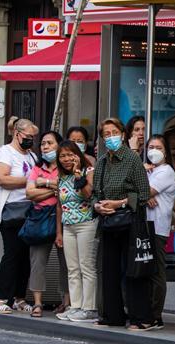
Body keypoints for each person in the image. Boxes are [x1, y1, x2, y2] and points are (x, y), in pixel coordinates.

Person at [92, 117, 153, 330]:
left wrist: (119, 203)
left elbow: (143, 194)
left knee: (134, 270)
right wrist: (98, 206)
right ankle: (112, 315)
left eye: (114, 133)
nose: (111, 138)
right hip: (108, 222)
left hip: (130, 221)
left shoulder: (132, 159)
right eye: (106, 134)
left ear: (123, 134)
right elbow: (94, 194)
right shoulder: (101, 162)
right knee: (108, 270)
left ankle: (140, 317)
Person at [0, 119, 37, 313]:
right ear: (17, 133)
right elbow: (2, 179)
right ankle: (1, 297)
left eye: (33, 137)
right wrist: (29, 181)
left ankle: (19, 297)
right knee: (12, 253)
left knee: (25, 256)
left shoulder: (32, 156)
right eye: (27, 137)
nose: (30, 140)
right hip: (11, 209)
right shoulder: (5, 152)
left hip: (29, 208)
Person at [54, 140, 97, 323]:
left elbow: (88, 194)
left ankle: (89, 308)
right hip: (68, 225)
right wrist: (59, 232)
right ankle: (76, 306)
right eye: (62, 156)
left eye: (70, 154)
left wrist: (78, 175)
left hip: (86, 223)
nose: (66, 159)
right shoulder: (61, 177)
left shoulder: (89, 172)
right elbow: (59, 205)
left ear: (78, 155)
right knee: (72, 268)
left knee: (86, 267)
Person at [23, 131, 62, 318]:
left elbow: (66, 188)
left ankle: (66, 303)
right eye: (43, 143)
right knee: (37, 262)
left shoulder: (65, 167)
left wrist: (43, 184)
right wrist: (52, 188)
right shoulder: (37, 168)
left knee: (66, 263)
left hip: (62, 218)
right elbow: (30, 194)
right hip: (40, 218)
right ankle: (37, 302)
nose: (45, 147)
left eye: (50, 143)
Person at [146, 134, 175, 328]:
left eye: (159, 147)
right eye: (151, 147)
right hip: (143, 225)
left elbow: (145, 191)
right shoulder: (148, 171)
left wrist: (143, 195)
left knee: (157, 271)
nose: (154, 151)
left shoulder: (166, 171)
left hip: (157, 227)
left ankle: (156, 315)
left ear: (165, 152)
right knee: (144, 272)